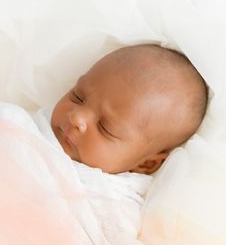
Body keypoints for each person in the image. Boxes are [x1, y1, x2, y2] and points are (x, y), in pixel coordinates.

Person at [51, 44, 208, 175]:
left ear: (146, 164)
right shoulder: (33, 125)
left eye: (105, 128)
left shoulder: (111, 199)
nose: (76, 117)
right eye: (78, 97)